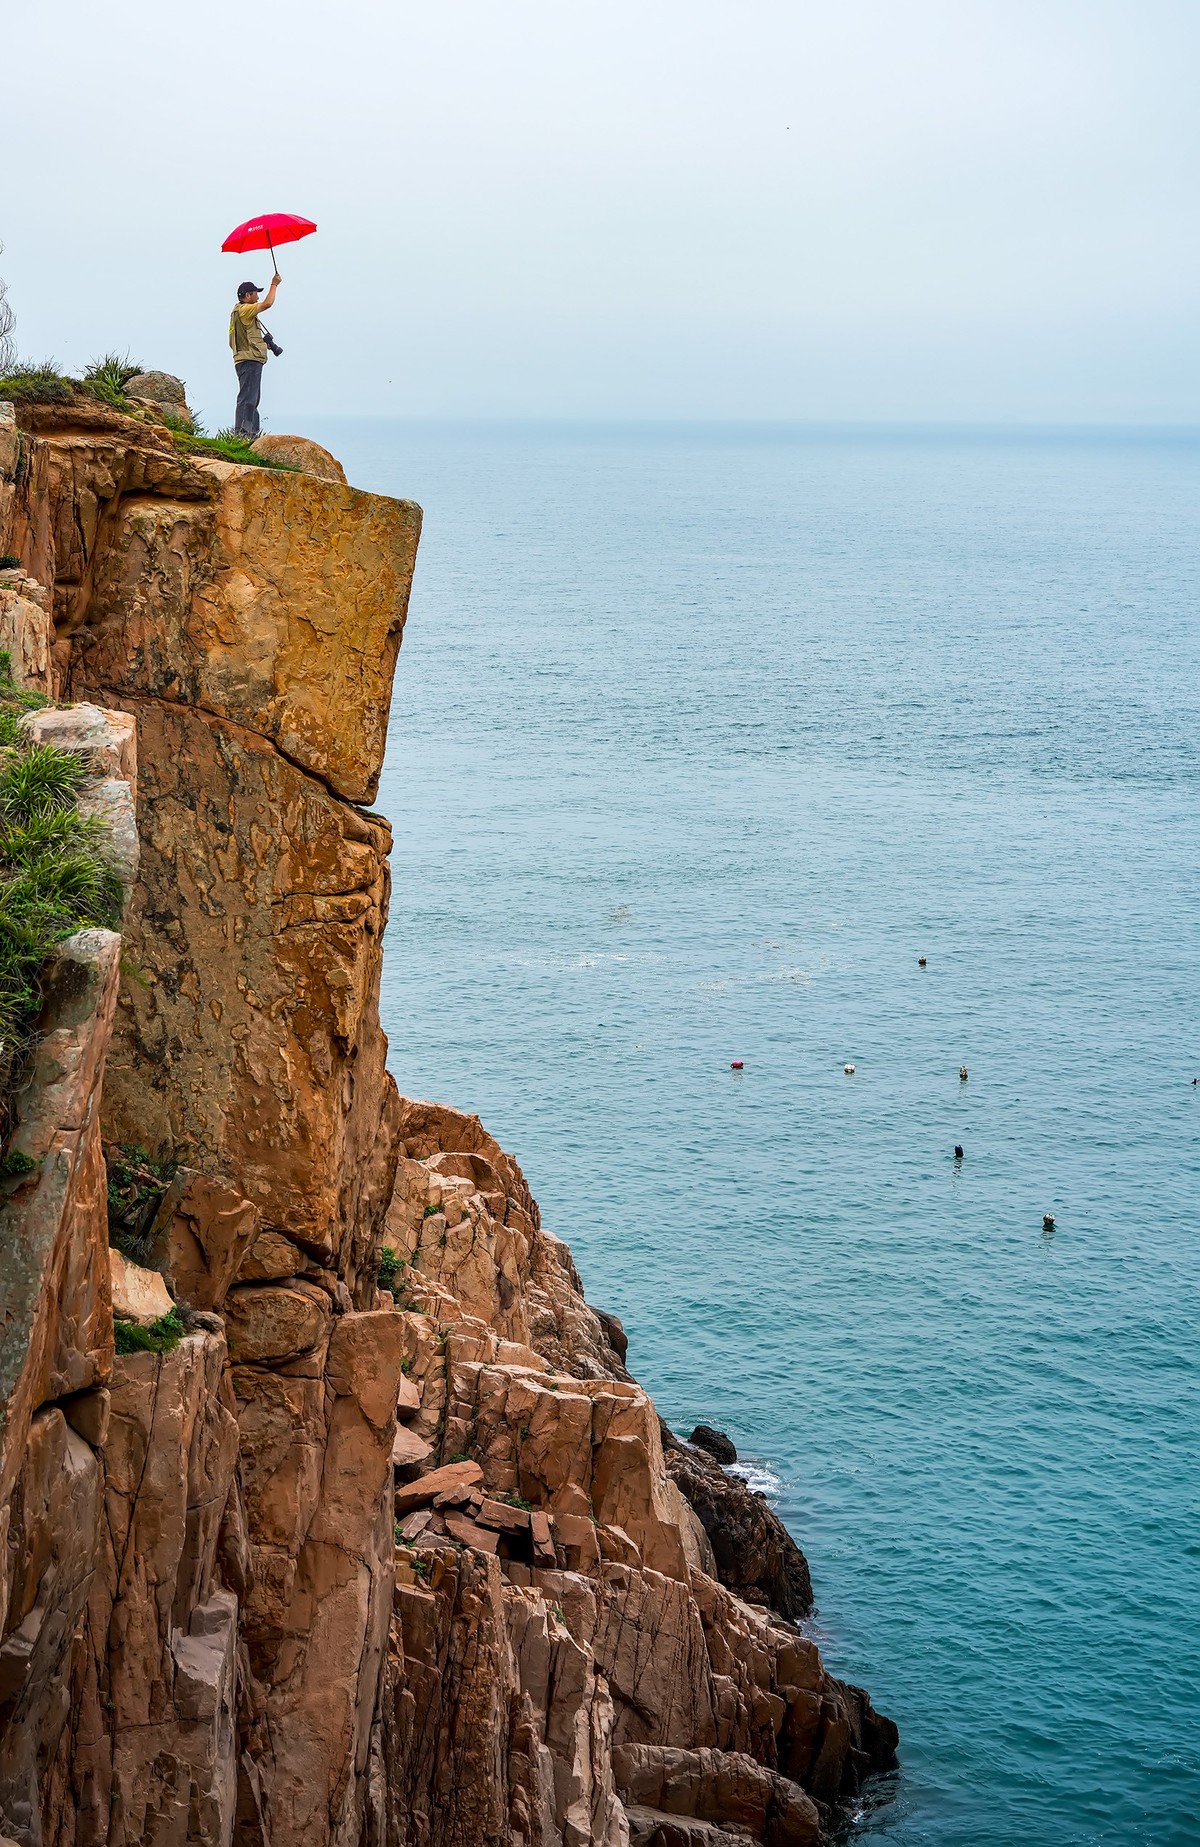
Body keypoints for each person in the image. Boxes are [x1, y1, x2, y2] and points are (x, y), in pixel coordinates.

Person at [229, 275, 280, 439]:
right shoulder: (244, 309)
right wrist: (274, 284)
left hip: (248, 359)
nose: (257, 296)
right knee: (248, 398)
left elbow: (246, 337)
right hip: (249, 360)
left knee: (252, 397)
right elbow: (268, 303)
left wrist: (265, 345)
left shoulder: (241, 313)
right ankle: (244, 434)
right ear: (247, 295)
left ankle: (251, 433)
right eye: (255, 293)